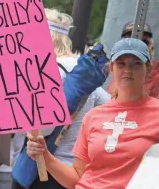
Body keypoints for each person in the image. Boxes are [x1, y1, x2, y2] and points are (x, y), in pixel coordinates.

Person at [26, 37, 159, 189]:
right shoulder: (94, 116)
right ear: (111, 68)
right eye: (121, 64)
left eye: (136, 64)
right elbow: (77, 177)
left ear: (148, 69)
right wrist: (44, 155)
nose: (127, 70)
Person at [11, 9, 111, 189]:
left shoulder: (48, 72)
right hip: (72, 173)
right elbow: (107, 104)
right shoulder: (84, 69)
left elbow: (42, 128)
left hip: (42, 173)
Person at [108, 21, 159, 98]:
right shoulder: (117, 76)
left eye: (144, 42)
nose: (137, 47)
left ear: (152, 48)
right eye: (128, 41)